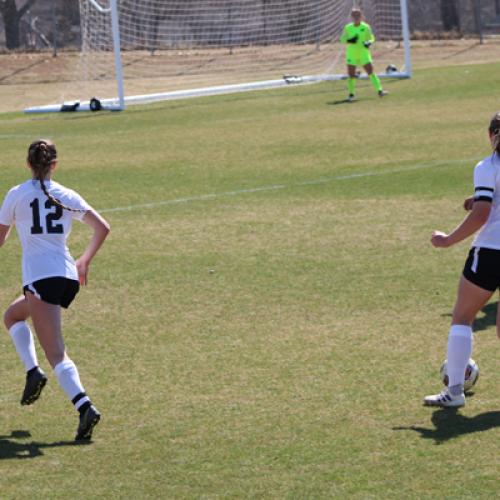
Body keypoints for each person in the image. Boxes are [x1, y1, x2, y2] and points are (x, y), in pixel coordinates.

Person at [0, 139, 110, 439]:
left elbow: (0, 238)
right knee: (12, 316)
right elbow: (102, 228)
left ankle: (85, 406)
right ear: (54, 165)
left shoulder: (17, 194)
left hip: (41, 278)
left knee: (57, 355)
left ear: (27, 164)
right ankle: (32, 371)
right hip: (66, 277)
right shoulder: (66, 194)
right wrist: (84, 260)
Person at [424, 112, 500, 407]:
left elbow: (482, 214)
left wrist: (447, 240)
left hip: (491, 252)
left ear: (491, 135)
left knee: (463, 318)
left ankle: (454, 392)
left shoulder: (487, 166)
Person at [340, 8, 387, 102]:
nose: (356, 17)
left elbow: (372, 38)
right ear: (351, 17)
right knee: (351, 74)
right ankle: (351, 94)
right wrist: (350, 40)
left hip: (363, 53)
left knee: (371, 72)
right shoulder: (348, 27)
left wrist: (369, 42)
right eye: (354, 15)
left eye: (358, 15)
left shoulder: (366, 27)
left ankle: (380, 91)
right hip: (352, 54)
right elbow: (342, 40)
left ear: (361, 16)